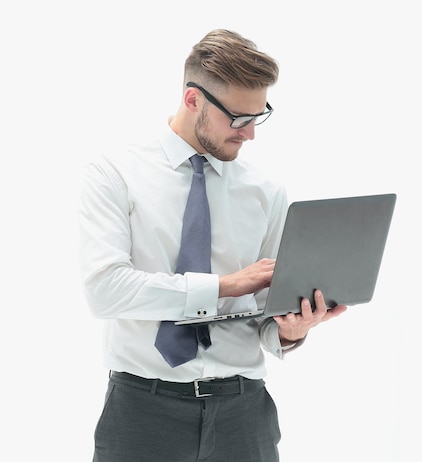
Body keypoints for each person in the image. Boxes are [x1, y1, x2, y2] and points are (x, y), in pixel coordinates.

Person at [79, 29, 347, 462]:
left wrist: (290, 331)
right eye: (238, 119)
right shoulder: (115, 175)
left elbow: (265, 312)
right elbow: (105, 290)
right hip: (142, 413)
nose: (250, 134)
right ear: (193, 100)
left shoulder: (265, 192)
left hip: (243, 415)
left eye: (259, 117)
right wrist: (223, 286)